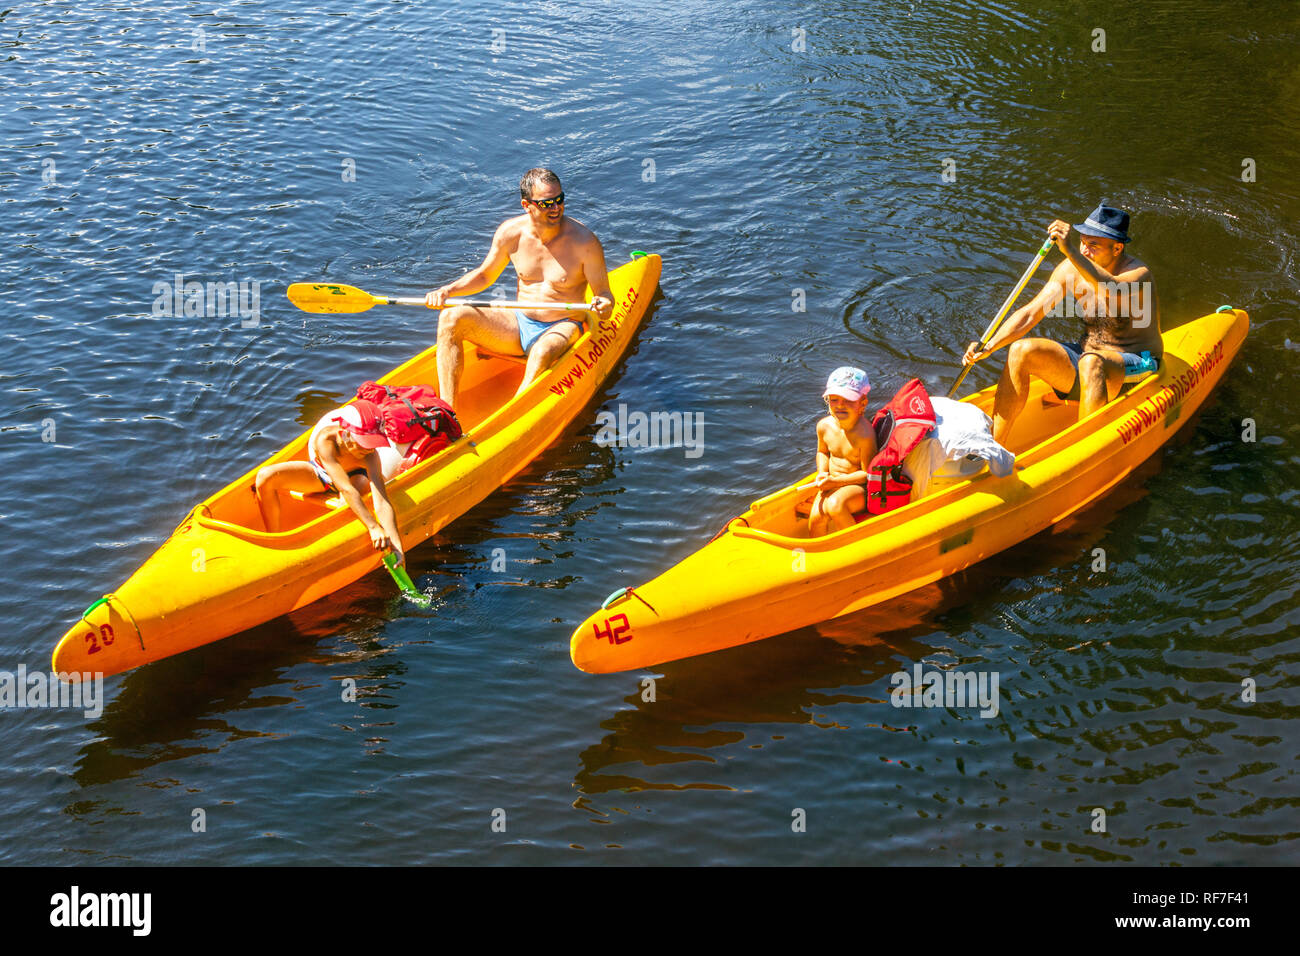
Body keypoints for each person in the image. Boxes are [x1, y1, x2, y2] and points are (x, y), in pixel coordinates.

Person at [961, 204, 1162, 443]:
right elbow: (1030, 313)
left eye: (1093, 246)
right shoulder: (1071, 269)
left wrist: (1070, 252)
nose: (1085, 251)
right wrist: (989, 346)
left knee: (1091, 363)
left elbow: (1109, 287)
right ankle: (993, 448)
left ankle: (1083, 450)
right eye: (1082, 242)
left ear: (1117, 248)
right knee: (1021, 351)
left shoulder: (1138, 273)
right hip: (1089, 358)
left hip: (1137, 363)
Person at [425, 168, 615, 409]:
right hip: (518, 322)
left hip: (562, 324)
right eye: (547, 203)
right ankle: (446, 411)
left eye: (559, 200)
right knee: (451, 317)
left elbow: (604, 293)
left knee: (541, 351)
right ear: (527, 205)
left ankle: (513, 414)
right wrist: (448, 291)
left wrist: (605, 304)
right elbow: (485, 275)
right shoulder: (510, 233)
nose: (556, 208)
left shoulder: (585, 242)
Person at [254, 401, 406, 566]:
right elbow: (345, 488)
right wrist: (373, 526)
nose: (369, 449)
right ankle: (274, 543)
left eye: (372, 444)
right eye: (363, 443)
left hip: (356, 477)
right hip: (323, 474)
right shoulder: (325, 440)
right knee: (265, 476)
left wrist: (397, 547)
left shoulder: (370, 456)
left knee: (345, 507)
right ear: (345, 433)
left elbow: (381, 502)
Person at [809, 367, 878, 536]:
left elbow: (867, 475)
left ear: (863, 402)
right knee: (816, 518)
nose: (840, 405)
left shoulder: (865, 434)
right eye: (834, 399)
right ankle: (817, 555)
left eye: (848, 400)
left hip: (859, 488)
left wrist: (836, 482)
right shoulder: (823, 427)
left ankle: (854, 546)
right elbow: (822, 453)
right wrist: (823, 473)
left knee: (835, 505)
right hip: (831, 482)